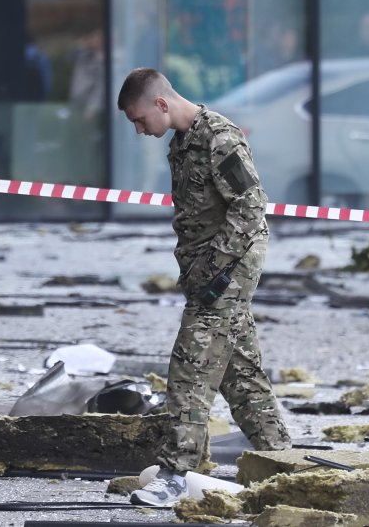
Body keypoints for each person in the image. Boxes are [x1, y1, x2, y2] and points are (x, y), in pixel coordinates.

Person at [116, 67, 292, 507]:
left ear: (161, 103)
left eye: (140, 120)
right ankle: (282, 459)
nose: (140, 130)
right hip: (206, 272)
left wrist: (214, 269)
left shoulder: (219, 137)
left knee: (190, 367)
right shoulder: (181, 141)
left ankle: (175, 473)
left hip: (228, 268)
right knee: (239, 370)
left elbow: (251, 207)